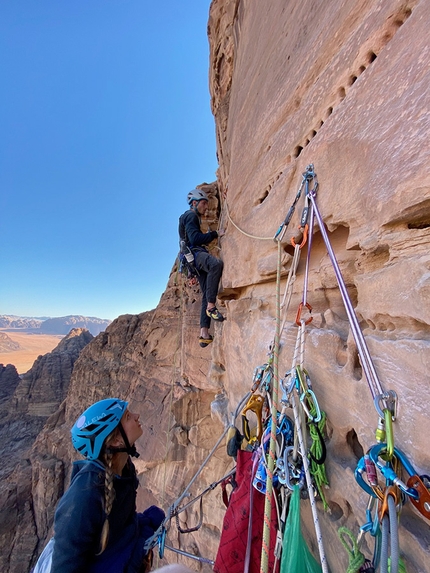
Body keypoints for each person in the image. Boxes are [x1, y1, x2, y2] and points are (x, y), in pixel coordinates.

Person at [49, 398, 165, 573]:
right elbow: (65, 565)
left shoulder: (124, 469)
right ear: (116, 440)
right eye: (127, 416)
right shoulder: (84, 495)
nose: (136, 416)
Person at [179, 188, 224, 348]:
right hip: (196, 255)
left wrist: (190, 272)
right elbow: (195, 239)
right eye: (204, 203)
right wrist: (214, 234)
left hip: (191, 261)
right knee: (216, 264)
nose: (206, 207)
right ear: (195, 203)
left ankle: (204, 333)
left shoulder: (187, 218)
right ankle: (211, 307)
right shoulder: (191, 215)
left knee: (206, 292)